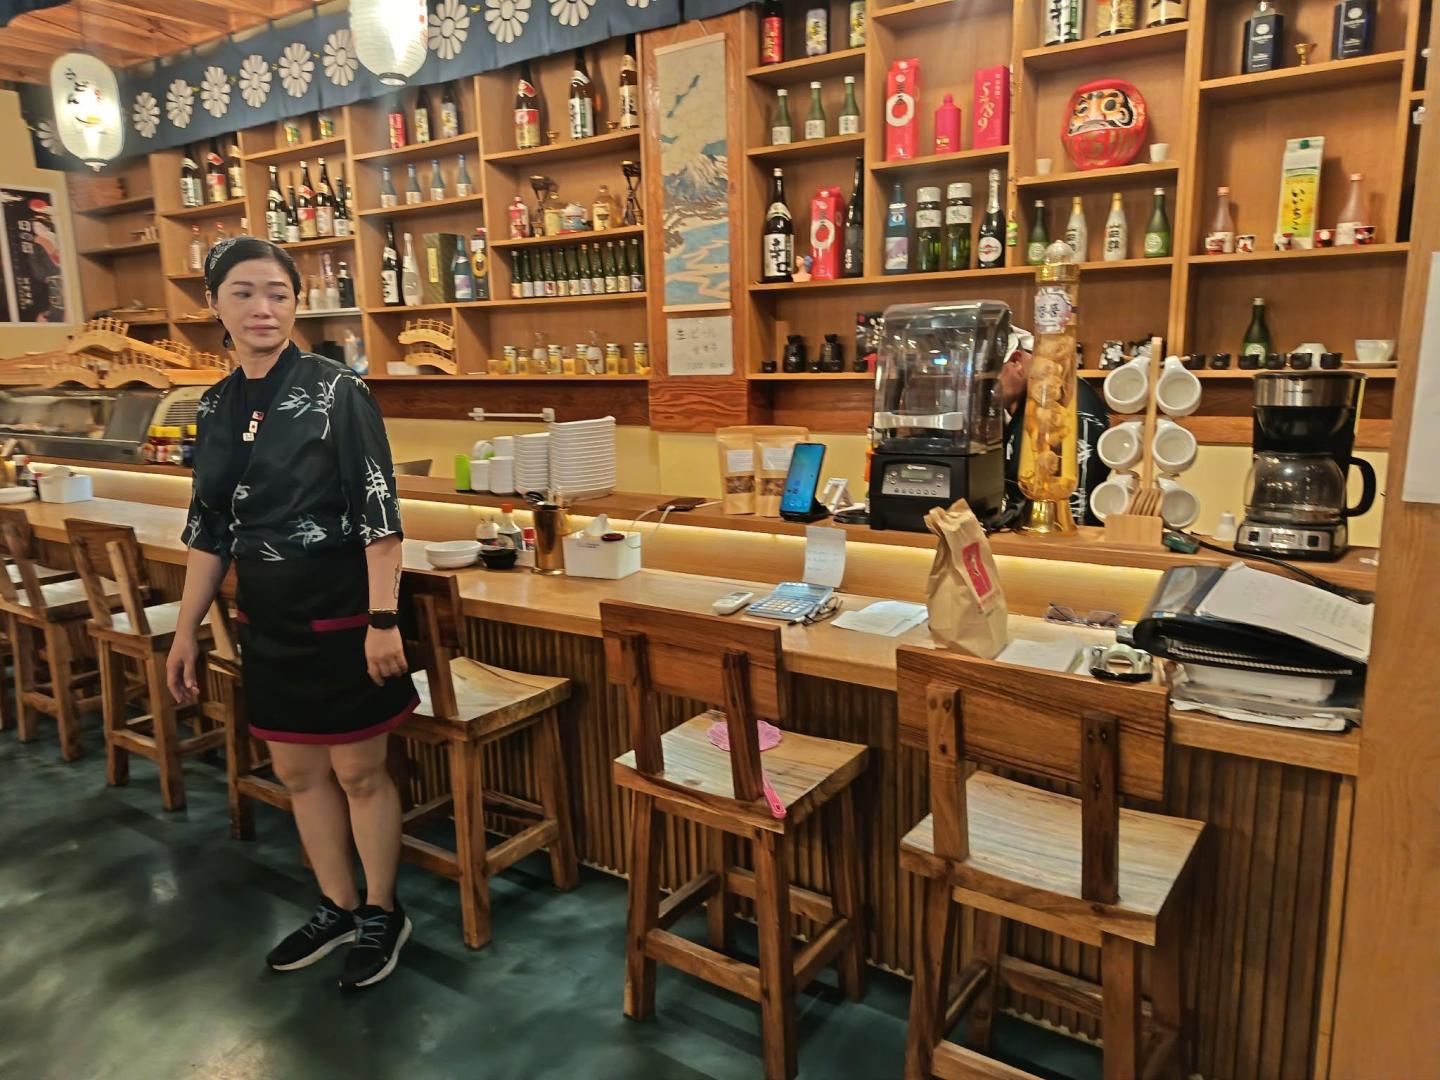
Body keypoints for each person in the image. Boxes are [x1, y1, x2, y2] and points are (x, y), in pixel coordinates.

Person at [165, 237, 418, 990]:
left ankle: (383, 911)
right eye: (243, 293)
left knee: (360, 772)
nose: (262, 308)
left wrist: (382, 619)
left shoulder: (339, 390)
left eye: (277, 293)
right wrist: (185, 630)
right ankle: (335, 905)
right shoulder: (214, 405)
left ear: (297, 304)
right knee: (297, 771)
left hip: (340, 609)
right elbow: (209, 529)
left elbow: (379, 513)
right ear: (215, 305)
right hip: (265, 617)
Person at [998, 327, 1111, 527]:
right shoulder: (1023, 408)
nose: (981, 394)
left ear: (1016, 361)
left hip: (1059, 537)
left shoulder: (1066, 407)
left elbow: (1077, 514)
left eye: (989, 383)